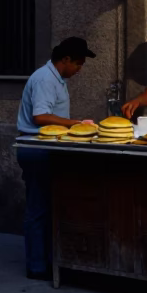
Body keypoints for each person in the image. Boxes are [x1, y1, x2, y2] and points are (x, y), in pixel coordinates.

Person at [15, 36, 95, 280]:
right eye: (78, 64)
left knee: (50, 206)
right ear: (65, 59)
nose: (80, 69)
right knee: (39, 207)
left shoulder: (57, 79)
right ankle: (37, 266)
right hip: (36, 148)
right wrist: (75, 124)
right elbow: (40, 116)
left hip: (48, 147)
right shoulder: (44, 79)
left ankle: (51, 261)